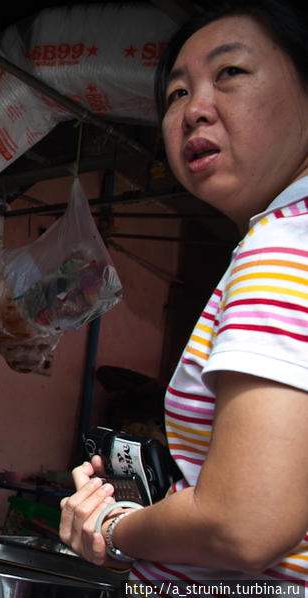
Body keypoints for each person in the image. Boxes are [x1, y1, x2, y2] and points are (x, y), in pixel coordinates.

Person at [59, 0, 308, 587]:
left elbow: (242, 525)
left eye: (230, 74)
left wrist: (114, 526)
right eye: (175, 94)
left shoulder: (281, 249)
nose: (195, 109)